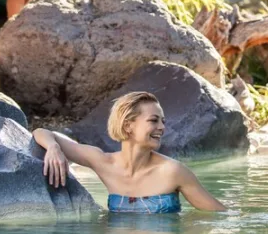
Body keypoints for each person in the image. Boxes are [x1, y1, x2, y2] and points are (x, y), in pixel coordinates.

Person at [32, 92, 227, 214]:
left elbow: (219, 214)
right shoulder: (103, 162)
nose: (162, 127)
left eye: (163, 121)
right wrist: (53, 148)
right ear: (128, 125)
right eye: (153, 120)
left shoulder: (173, 171)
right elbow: (41, 132)